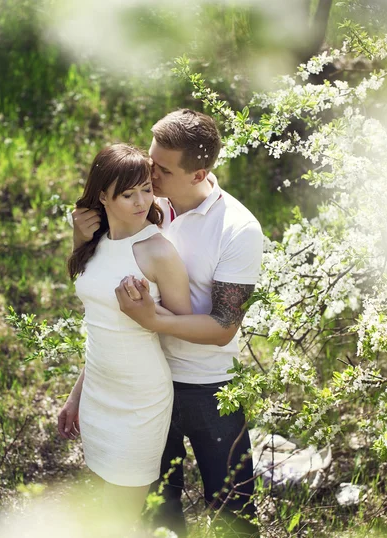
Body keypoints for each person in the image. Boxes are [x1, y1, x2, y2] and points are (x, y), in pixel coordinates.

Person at [70, 109, 263, 537]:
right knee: (158, 512)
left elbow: (223, 328)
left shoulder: (237, 230)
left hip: (208, 386)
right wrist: (80, 240)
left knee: (233, 510)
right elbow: (103, 299)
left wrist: (152, 319)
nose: (149, 174)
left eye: (161, 169)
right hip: (143, 384)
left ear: (200, 173)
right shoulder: (143, 202)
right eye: (150, 161)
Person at [57, 144, 193, 531]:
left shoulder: (157, 251)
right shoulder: (95, 242)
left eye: (146, 190)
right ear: (103, 196)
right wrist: (76, 395)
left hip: (139, 398)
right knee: (107, 504)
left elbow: (183, 323)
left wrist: (146, 314)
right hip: (99, 391)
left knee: (121, 515)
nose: (141, 201)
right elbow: (99, 327)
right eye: (128, 193)